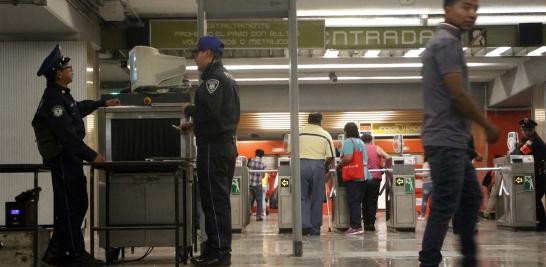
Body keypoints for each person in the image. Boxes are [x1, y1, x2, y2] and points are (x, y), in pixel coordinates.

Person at [419, 1, 500, 266]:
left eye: (475, 8)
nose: (472, 14)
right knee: (444, 205)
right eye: (465, 7)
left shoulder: (448, 42)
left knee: (470, 197)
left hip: (452, 141)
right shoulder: (446, 43)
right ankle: (429, 261)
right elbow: (457, 93)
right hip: (446, 141)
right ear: (447, 9)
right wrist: (486, 125)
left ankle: (469, 259)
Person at [32, 45, 120, 266]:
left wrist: (101, 103)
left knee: (77, 203)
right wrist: (92, 156)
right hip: (62, 158)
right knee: (70, 205)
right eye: (68, 68)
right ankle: (73, 254)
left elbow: (77, 108)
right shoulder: (53, 100)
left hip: (69, 158)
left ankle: (57, 251)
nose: (71, 70)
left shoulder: (62, 96)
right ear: (58, 74)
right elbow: (66, 136)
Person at [179, 36, 240, 267]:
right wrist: (194, 125)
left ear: (209, 54)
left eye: (198, 53)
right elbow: (220, 117)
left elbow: (211, 113)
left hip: (213, 148)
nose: (195, 57)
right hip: (223, 145)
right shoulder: (226, 77)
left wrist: (190, 109)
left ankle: (219, 253)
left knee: (214, 202)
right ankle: (215, 249)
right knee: (217, 200)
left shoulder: (213, 79)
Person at [299, 112, 335, 235]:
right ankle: (314, 229)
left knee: (302, 197)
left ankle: (304, 226)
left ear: (308, 120)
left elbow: (290, 151)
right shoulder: (325, 134)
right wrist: (324, 166)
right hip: (318, 165)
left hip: (301, 165)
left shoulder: (298, 132)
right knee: (317, 198)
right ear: (321, 121)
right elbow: (330, 155)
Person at [513, 118, 546, 231]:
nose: (526, 132)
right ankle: (541, 223)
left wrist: (516, 152)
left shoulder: (534, 141)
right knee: (533, 199)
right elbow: (516, 152)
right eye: (524, 129)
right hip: (531, 175)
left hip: (541, 176)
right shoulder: (526, 139)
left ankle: (543, 223)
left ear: (533, 130)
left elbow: (519, 153)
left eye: (529, 129)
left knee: (535, 199)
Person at [339, 122, 366, 235]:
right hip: (363, 174)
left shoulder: (348, 142)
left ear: (347, 131)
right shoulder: (361, 142)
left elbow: (348, 158)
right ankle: (357, 225)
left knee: (353, 201)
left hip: (353, 175)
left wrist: (340, 164)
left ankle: (356, 227)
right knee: (357, 201)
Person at [360, 133, 391, 230]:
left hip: (363, 177)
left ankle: (366, 223)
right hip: (375, 177)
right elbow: (388, 157)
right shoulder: (376, 148)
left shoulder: (359, 148)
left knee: (364, 201)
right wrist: (383, 167)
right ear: (371, 140)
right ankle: (371, 225)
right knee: (372, 202)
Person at [247, 149, 267, 221]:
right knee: (259, 201)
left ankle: (248, 215)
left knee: (249, 200)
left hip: (249, 184)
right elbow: (263, 175)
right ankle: (258, 217)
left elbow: (246, 170)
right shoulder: (263, 164)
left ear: (255, 154)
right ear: (262, 156)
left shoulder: (250, 161)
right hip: (258, 184)